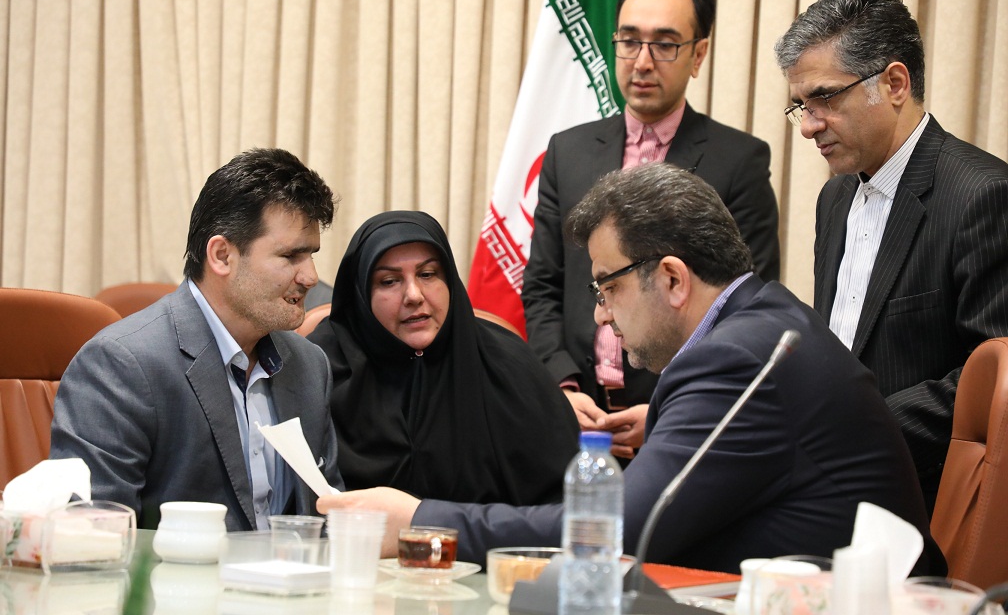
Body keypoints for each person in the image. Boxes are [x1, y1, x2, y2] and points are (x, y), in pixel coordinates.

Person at [317, 165, 945, 576]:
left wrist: (422, 519)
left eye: (607, 287)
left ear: (671, 279)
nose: (600, 314)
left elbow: (616, 533)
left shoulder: (738, 361)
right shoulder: (762, 323)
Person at [522, 0, 780, 459]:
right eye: (629, 40)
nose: (642, 61)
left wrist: (670, 404)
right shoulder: (566, 152)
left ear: (698, 54)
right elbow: (542, 286)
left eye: (664, 44)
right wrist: (562, 385)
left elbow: (746, 306)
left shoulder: (739, 162)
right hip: (577, 416)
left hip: (682, 419)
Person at [775, 0, 1008, 511]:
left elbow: (991, 384)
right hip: (831, 492)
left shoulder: (983, 195)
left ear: (895, 83)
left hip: (927, 503)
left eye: (825, 98)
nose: (808, 126)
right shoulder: (835, 197)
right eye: (801, 105)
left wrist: (856, 432)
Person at [50, 148, 344, 531]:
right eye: (291, 256)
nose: (310, 277)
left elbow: (327, 519)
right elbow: (91, 537)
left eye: (312, 255)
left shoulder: (309, 366)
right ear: (222, 256)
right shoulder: (122, 365)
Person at [307, 211, 578, 506]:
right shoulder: (319, 367)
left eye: (427, 274)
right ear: (361, 294)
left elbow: (563, 507)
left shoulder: (509, 365)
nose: (414, 295)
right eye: (389, 281)